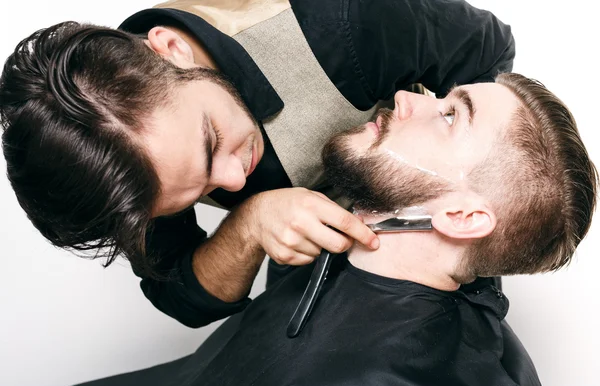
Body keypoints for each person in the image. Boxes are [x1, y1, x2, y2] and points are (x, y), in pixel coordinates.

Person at [47, 73, 598, 386]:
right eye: (441, 96)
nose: (410, 95)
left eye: (451, 116)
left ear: (461, 218)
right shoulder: (342, 227)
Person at [0, 0, 516, 328]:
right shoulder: (123, 155)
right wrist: (249, 226)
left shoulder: (347, 23)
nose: (231, 180)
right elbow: (177, 293)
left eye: (212, 141)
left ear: (173, 49)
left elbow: (489, 52)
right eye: (195, 189)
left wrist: (430, 199)